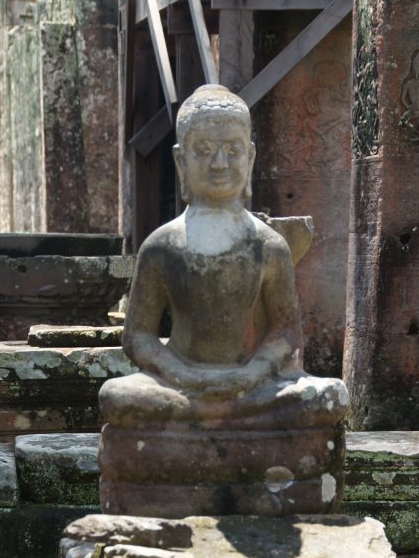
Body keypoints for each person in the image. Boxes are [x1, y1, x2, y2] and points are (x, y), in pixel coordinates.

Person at [99, 84, 348, 429]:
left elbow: (286, 334)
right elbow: (138, 336)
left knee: (331, 395)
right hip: (180, 381)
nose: (220, 163)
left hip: (253, 383)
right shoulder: (161, 246)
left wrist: (250, 375)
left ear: (250, 157)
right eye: (204, 150)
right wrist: (182, 374)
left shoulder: (269, 245)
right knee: (116, 397)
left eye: (232, 150)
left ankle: (213, 422)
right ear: (181, 161)